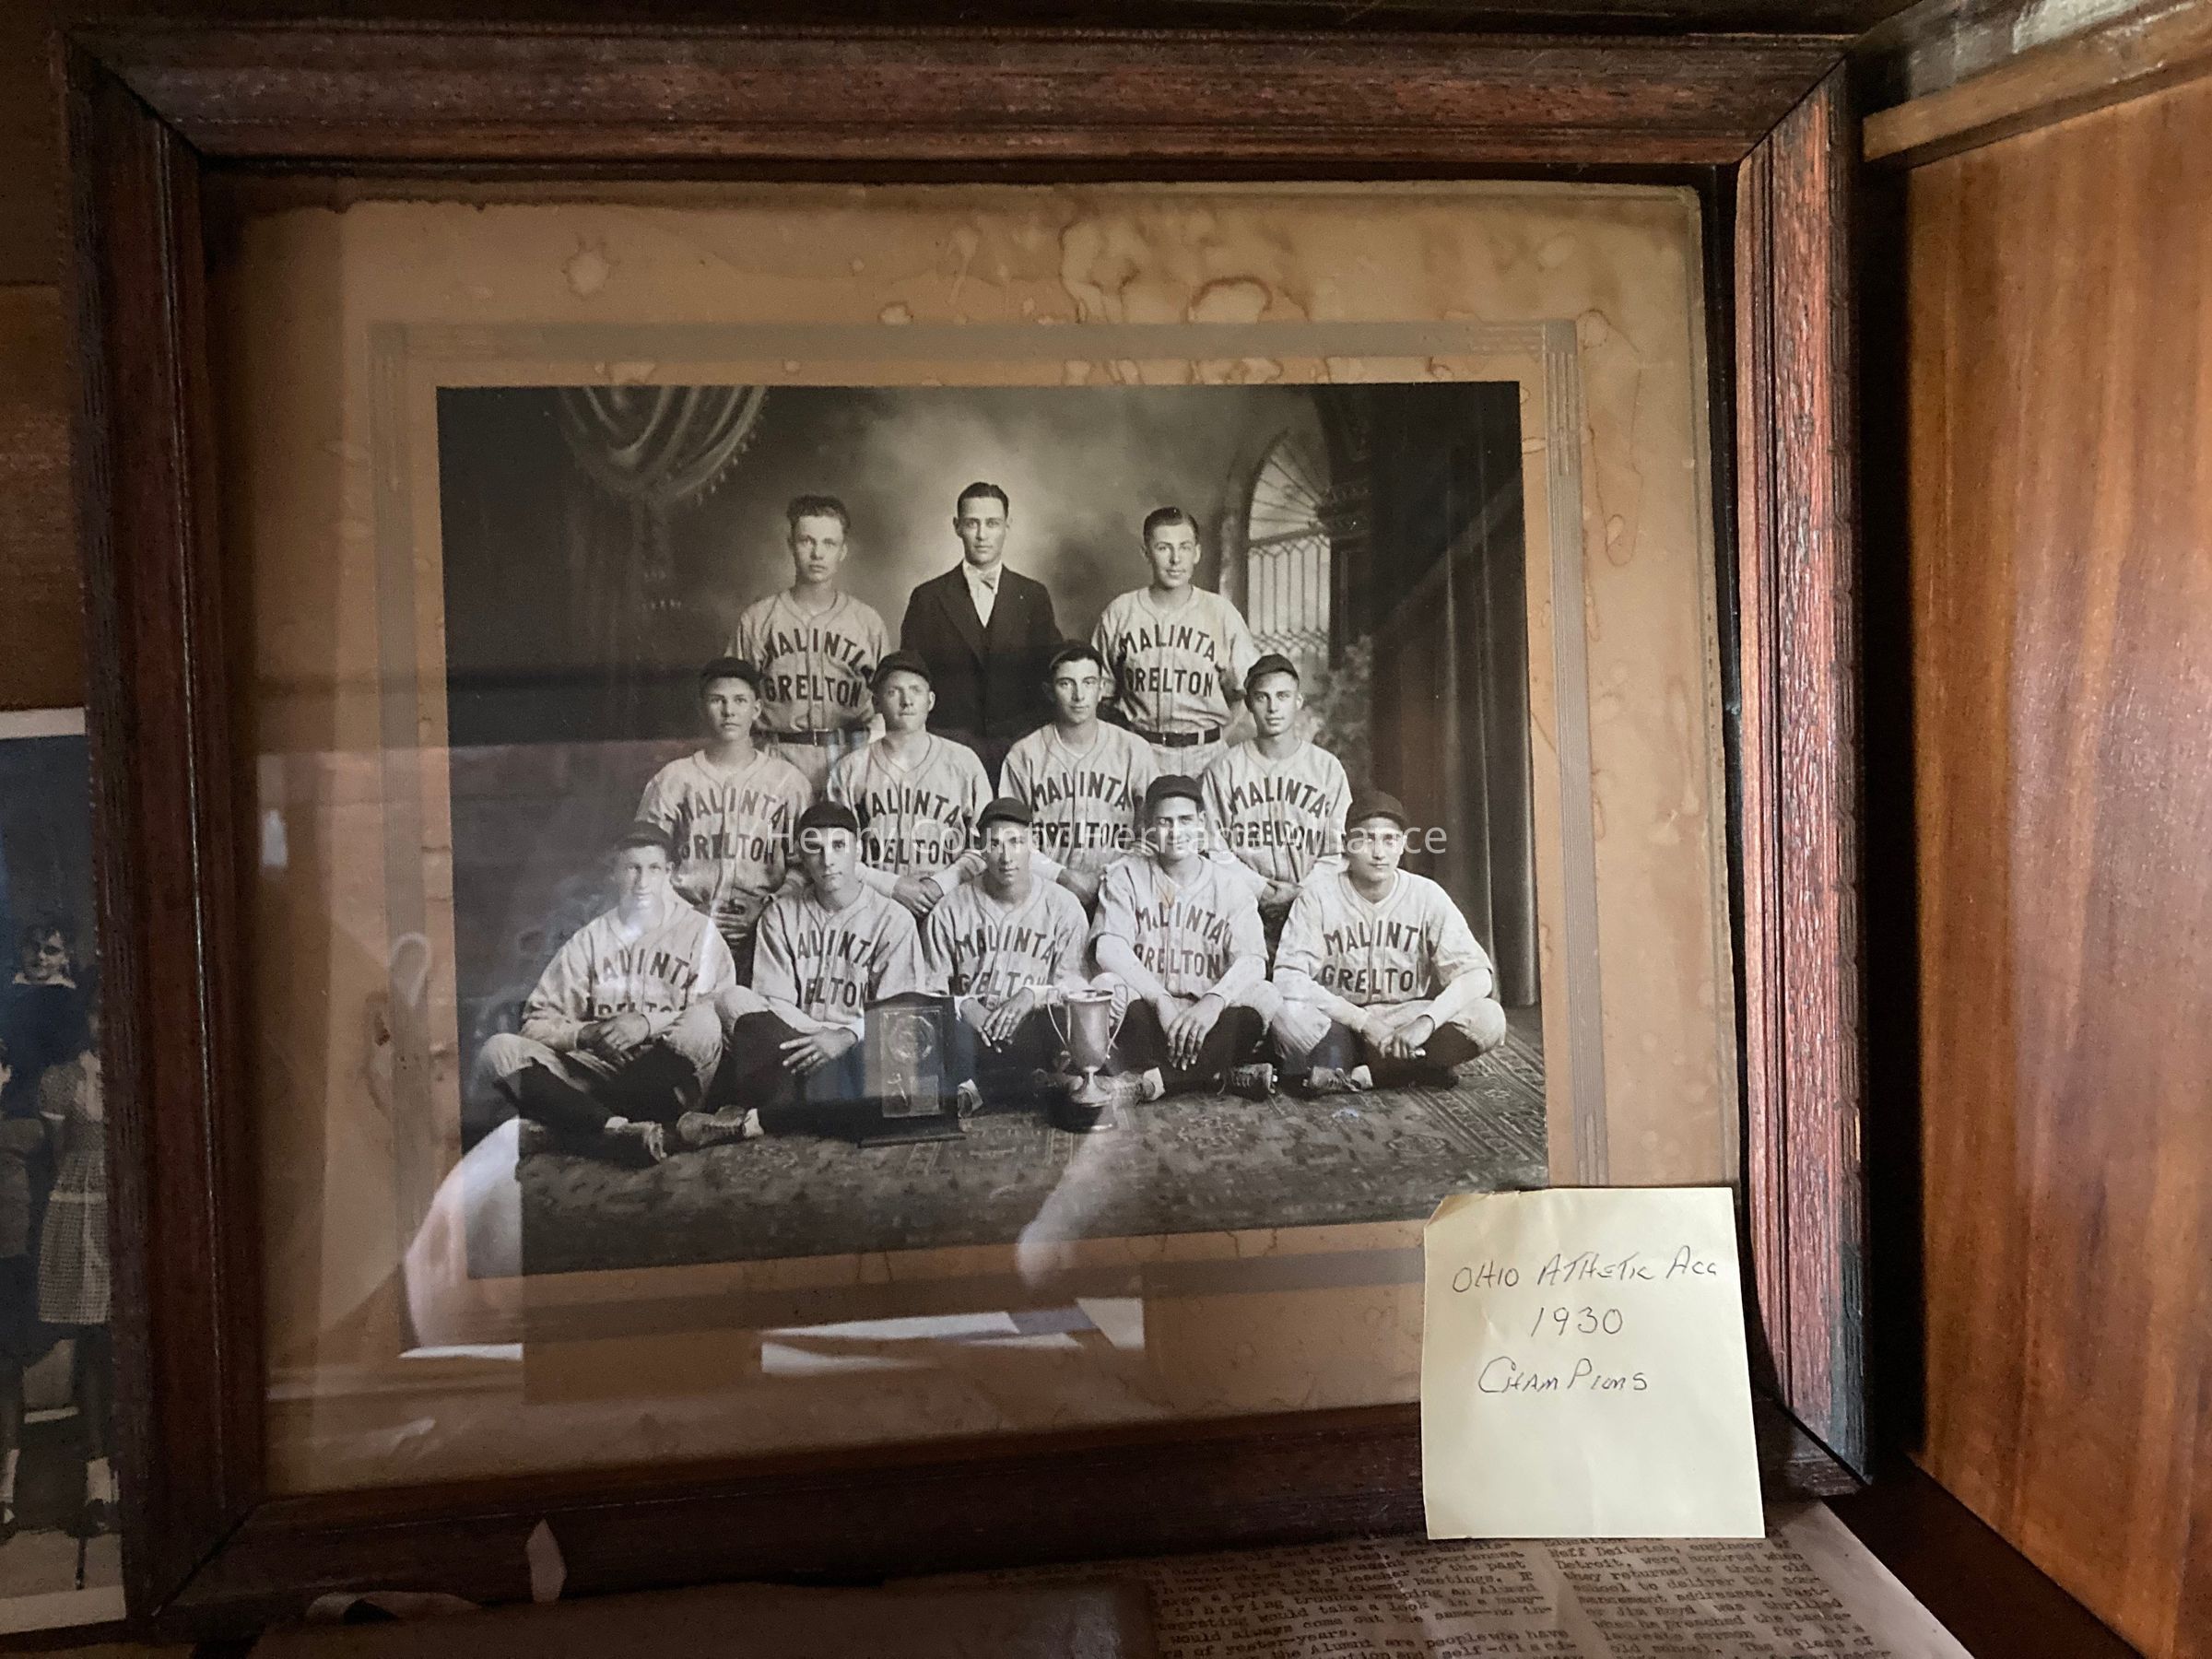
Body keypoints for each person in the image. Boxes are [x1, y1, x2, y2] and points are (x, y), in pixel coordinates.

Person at [477, 825, 737, 1165]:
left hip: (668, 1075)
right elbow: (536, 1021)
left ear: (670, 873)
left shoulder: (699, 932)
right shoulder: (591, 939)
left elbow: (720, 1011)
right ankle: (615, 1129)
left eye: (653, 869)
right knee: (497, 1051)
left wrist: (646, 1023)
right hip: (601, 1071)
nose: (642, 882)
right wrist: (585, 1033)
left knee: (703, 1024)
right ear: (614, 873)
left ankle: (580, 1128)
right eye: (632, 869)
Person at [1271, 792, 1509, 1093]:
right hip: (1339, 1020)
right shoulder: (1318, 896)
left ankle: (1365, 1074)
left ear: (1403, 844)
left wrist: (1426, 1022)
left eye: (1389, 840)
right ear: (1346, 844)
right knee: (1282, 1014)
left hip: (1403, 1020)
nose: (1378, 853)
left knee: (1489, 1017)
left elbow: (1477, 975)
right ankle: (1414, 1067)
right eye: (1366, 839)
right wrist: (1363, 1022)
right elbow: (1288, 977)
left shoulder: (1426, 895)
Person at [710, 800, 933, 1119]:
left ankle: (787, 1109)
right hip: (799, 1040)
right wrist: (817, 1038)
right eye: (815, 848)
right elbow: (775, 1001)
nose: (827, 860)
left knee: (905, 1054)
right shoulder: (780, 914)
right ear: (801, 856)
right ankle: (828, 1104)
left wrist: (845, 1037)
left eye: (839, 846)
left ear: (858, 851)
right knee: (731, 1000)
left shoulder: (894, 919)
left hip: (860, 1045)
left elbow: (900, 1011)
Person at [1088, 776, 1277, 1103]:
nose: (1176, 832)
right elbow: (1108, 948)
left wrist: (1214, 1002)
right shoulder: (1125, 875)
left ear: (1202, 822)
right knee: (1106, 985)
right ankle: (1217, 1073)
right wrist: (1160, 999)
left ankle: (1154, 1081)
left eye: (1185, 820)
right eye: (1165, 822)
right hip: (1150, 1014)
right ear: (1149, 827)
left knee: (1266, 994)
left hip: (1210, 1020)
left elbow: (1253, 960)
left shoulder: (1231, 885)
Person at [635, 657, 813, 980]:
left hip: (766, 931)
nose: (729, 711)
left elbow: (803, 866)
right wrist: (687, 913)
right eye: (718, 701)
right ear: (703, 708)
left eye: (740, 701)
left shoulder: (788, 781)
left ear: (757, 709)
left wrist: (770, 906)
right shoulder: (673, 779)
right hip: (684, 929)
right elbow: (644, 862)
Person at [922, 798, 1090, 1109]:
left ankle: (981, 1089)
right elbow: (929, 991)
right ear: (981, 848)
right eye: (995, 844)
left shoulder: (1064, 906)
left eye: (1016, 842)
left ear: (1033, 844)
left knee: (1056, 1025)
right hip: (974, 1032)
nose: (1006, 856)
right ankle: (1033, 1083)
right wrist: (964, 1005)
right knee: (939, 1035)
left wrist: (1031, 996)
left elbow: (1075, 987)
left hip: (1034, 1030)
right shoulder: (949, 909)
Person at [898, 482, 1063, 782]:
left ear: (1007, 527)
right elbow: (911, 679)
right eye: (972, 523)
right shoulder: (928, 598)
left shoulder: (1033, 596)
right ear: (957, 527)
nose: (982, 535)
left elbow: (1049, 678)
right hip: (948, 748)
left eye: (992, 523)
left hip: (1021, 748)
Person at [726, 494, 892, 794]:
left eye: (829, 543)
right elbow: (732, 695)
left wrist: (874, 756)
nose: (817, 553)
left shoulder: (867, 622)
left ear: (843, 551)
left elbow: (888, 701)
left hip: (852, 753)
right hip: (777, 755)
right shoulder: (758, 619)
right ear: (791, 544)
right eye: (807, 541)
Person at [1092, 506, 1261, 777]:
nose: (1175, 559)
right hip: (1139, 752)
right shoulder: (1121, 612)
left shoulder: (1221, 613)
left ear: (1197, 553)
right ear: (1146, 553)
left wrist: (1221, 738)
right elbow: (1099, 693)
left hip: (1206, 755)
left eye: (1184, 547)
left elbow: (1250, 688)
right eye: (1163, 548)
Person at [827, 653, 994, 919]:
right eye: (893, 692)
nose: (907, 701)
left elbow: (987, 844)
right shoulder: (850, 769)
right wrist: (891, 886)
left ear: (931, 700)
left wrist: (940, 884)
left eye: (916, 690)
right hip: (872, 908)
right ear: (876, 702)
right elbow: (833, 852)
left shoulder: (964, 763)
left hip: (951, 905)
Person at [1202, 653, 1352, 947]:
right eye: (1262, 697)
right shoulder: (1223, 769)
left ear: (1298, 701)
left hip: (1313, 906)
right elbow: (1213, 848)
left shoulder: (1326, 768)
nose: (1273, 708)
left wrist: (1300, 892)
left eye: (1283, 696)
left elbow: (1339, 848)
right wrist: (1261, 890)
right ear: (1249, 704)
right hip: (1241, 906)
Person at [1000, 641, 1159, 909]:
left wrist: (1110, 875)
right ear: (1049, 691)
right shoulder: (1024, 754)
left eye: (1088, 683)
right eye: (1066, 684)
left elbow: (1153, 832)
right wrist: (1060, 876)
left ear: (1102, 688)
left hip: (1123, 890)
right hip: (1043, 892)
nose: (1079, 696)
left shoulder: (1134, 750)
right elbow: (1008, 836)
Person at [36, 1000, 113, 1535]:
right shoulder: (64, 1080)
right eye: (96, 1012)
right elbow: (60, 1155)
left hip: (141, 1212)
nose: (105, 1022)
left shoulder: (144, 1074)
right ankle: (98, 1481)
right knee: (95, 1342)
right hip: (86, 1217)